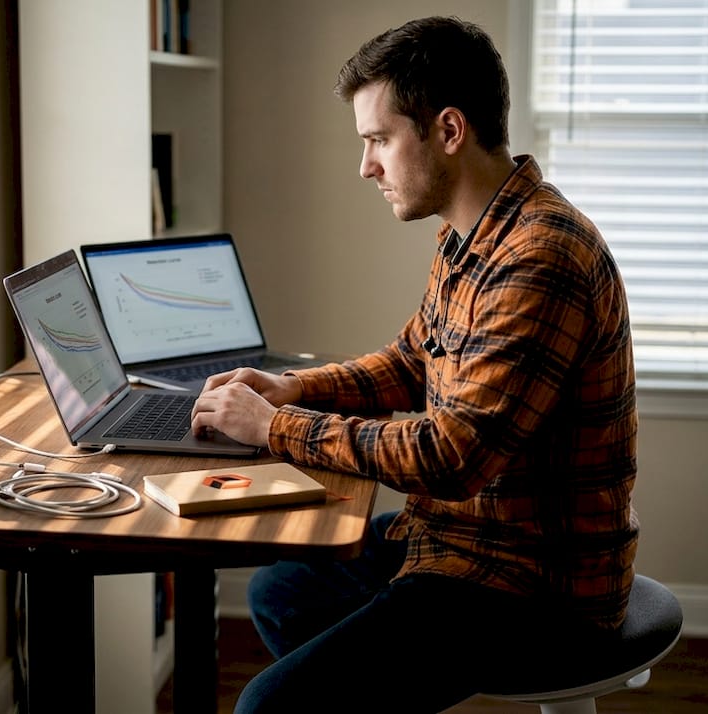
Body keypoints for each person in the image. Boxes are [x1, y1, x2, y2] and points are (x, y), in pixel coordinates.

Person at [189, 15, 639, 714]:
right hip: (460, 542)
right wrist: (290, 387)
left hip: (532, 585)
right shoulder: (471, 236)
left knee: (265, 707)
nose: (366, 166)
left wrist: (276, 426)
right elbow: (410, 364)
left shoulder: (540, 257)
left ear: (449, 131)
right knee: (279, 593)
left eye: (378, 140)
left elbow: (452, 456)